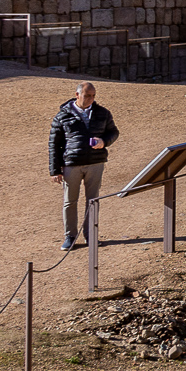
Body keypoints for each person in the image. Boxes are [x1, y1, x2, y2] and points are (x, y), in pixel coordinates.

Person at [49, 81, 119, 251]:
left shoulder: (102, 113)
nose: (91, 99)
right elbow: (54, 144)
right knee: (70, 201)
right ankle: (70, 236)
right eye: (87, 95)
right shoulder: (62, 116)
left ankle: (91, 236)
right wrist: (55, 170)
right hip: (71, 164)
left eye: (93, 95)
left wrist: (104, 141)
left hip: (95, 163)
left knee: (93, 201)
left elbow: (113, 132)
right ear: (77, 95)